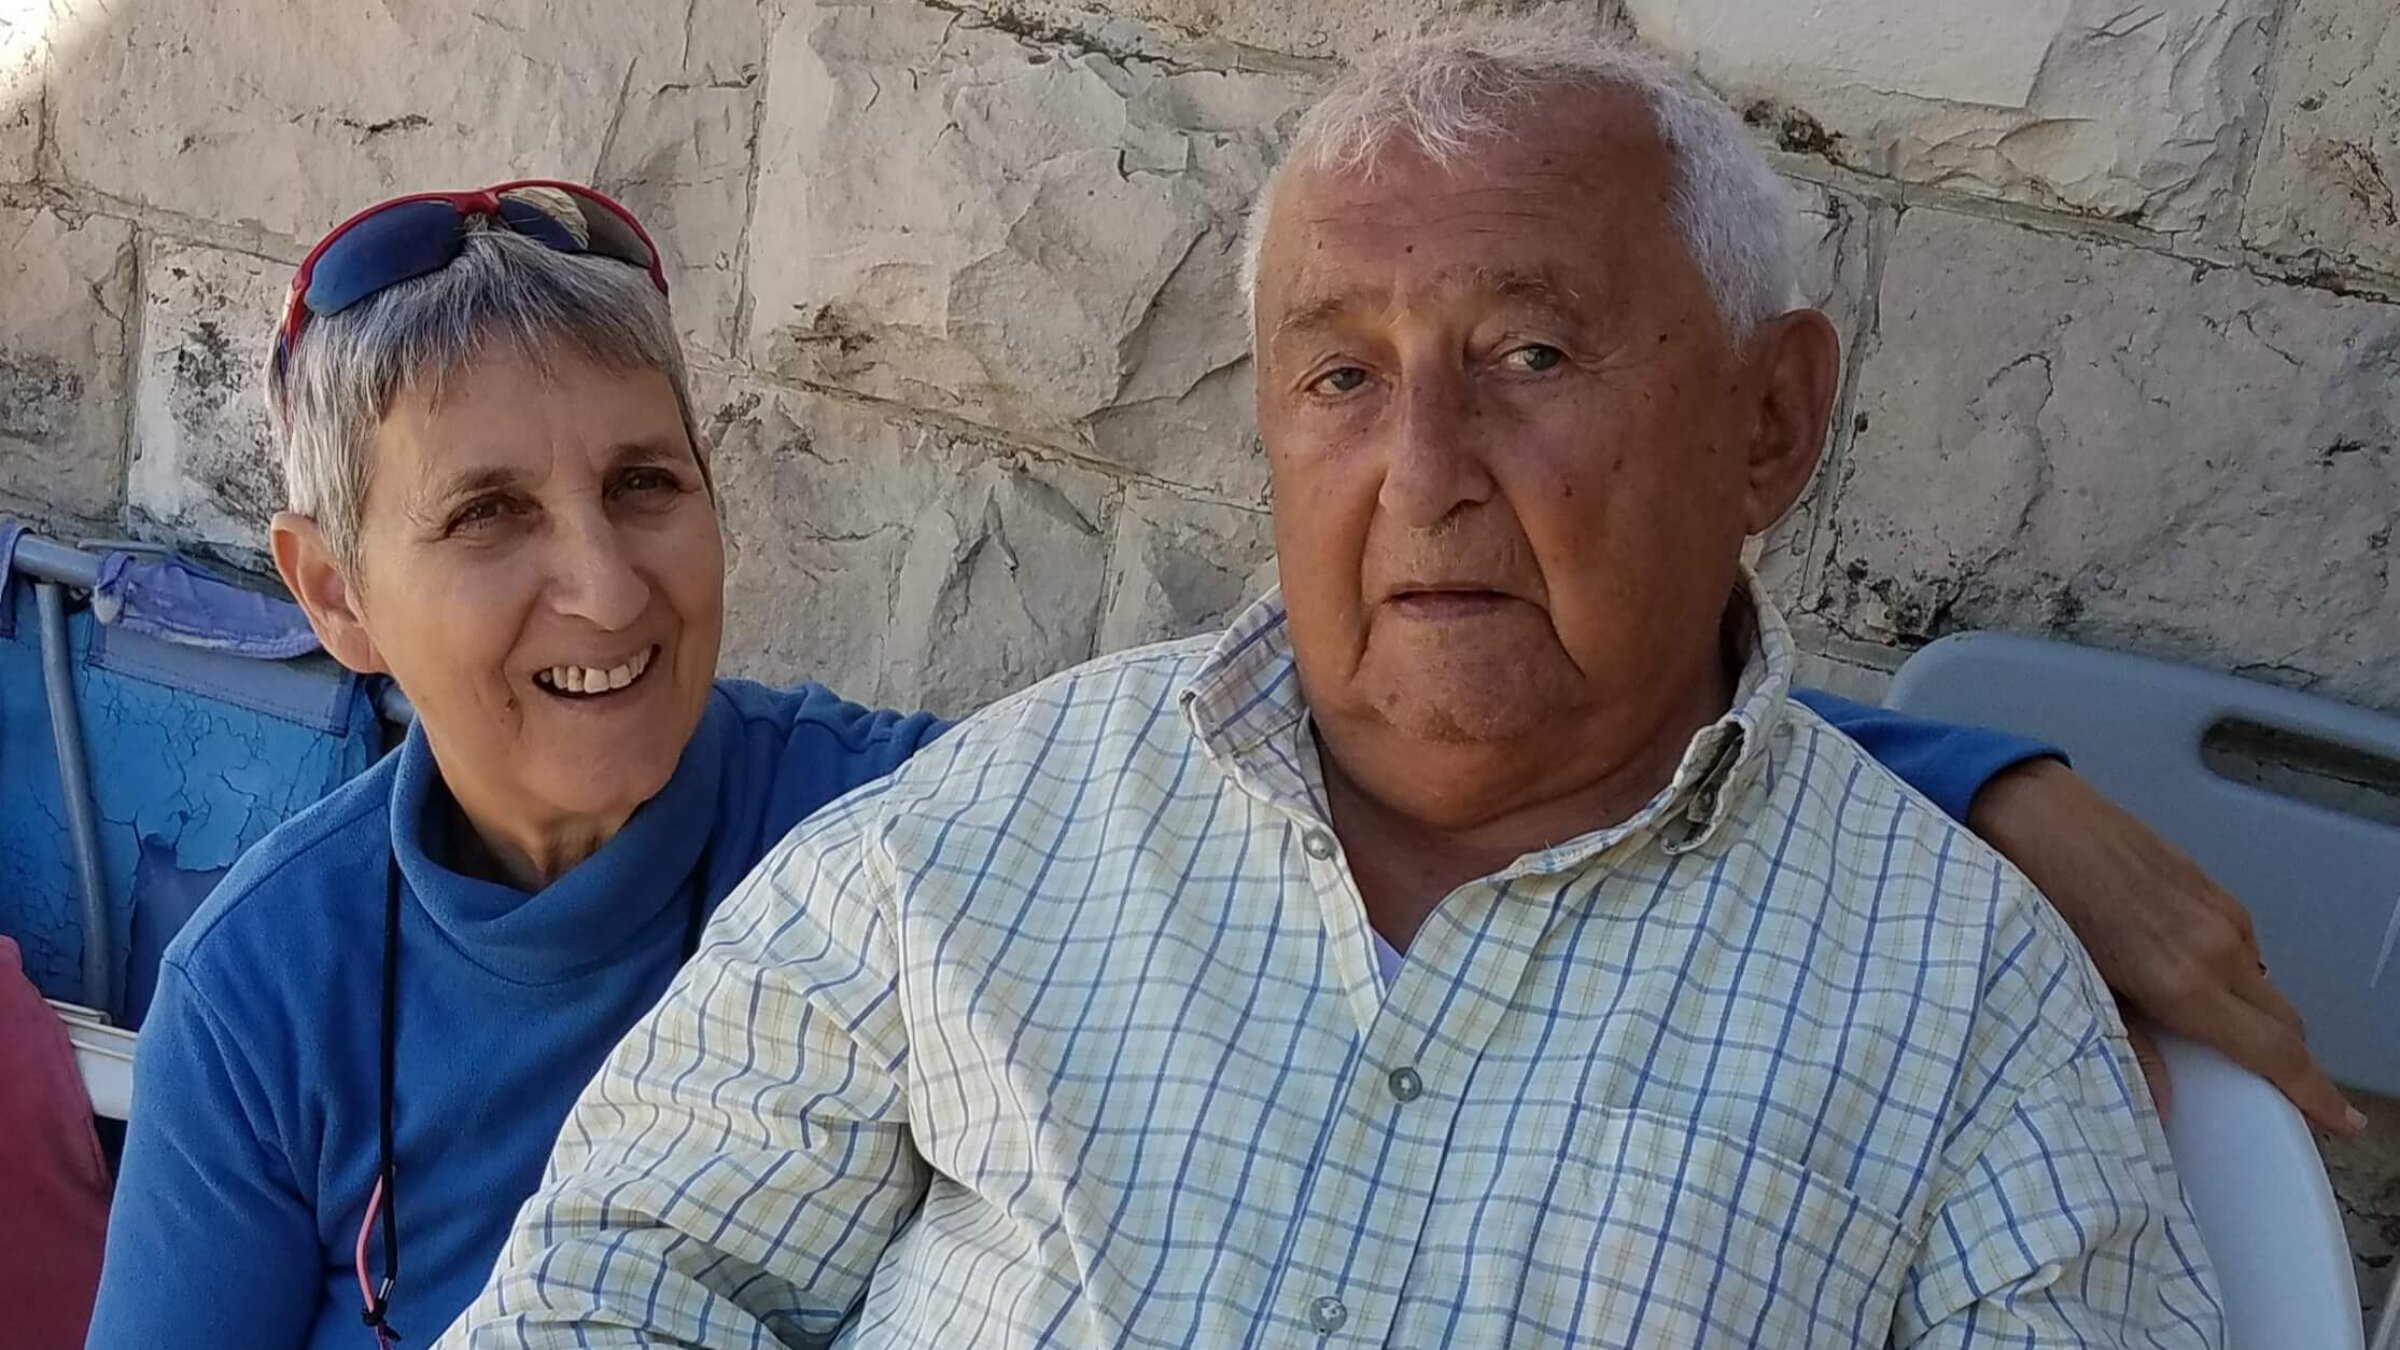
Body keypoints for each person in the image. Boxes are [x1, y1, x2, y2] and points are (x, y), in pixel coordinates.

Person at [86, 175, 2304, 1347]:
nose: (604, 589)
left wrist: (1972, 777)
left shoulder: (892, 818)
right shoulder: (267, 994)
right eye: (486, 520)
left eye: (646, 486)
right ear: (332, 594)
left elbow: (1471, 705)